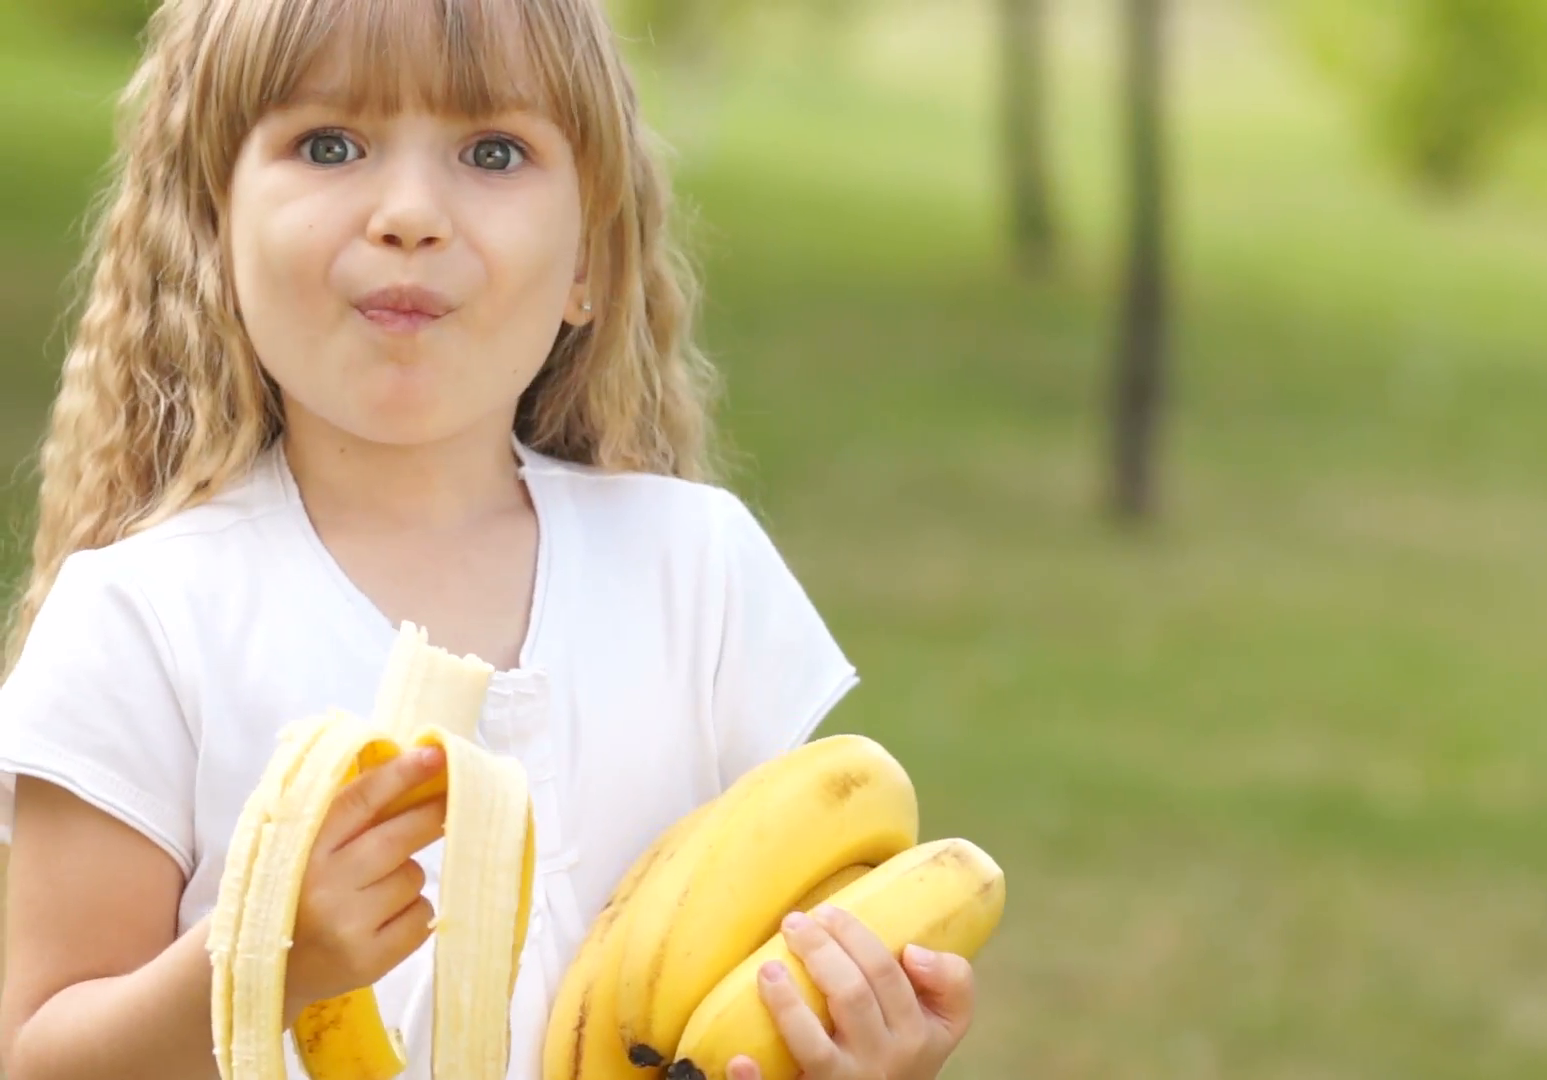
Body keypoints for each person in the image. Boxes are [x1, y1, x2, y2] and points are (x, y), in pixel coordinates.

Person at [0, 2, 980, 1079]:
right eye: (330, 145)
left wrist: (848, 1042)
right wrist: (253, 962)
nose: (411, 213)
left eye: (493, 151)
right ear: (213, 229)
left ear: (588, 263)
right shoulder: (144, 620)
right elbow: (35, 1051)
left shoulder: (695, 573)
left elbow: (759, 958)